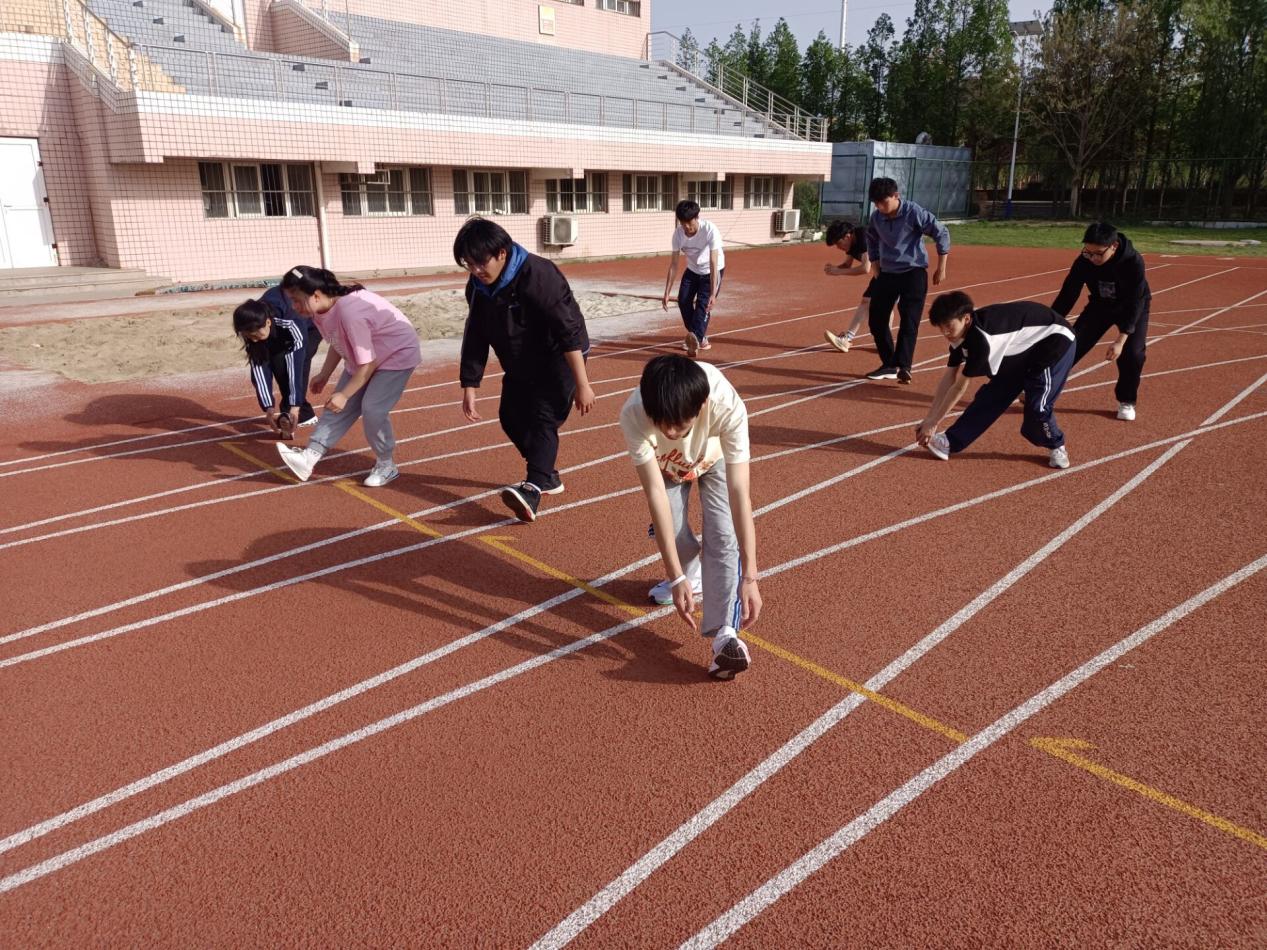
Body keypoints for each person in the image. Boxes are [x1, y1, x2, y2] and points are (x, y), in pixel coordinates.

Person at [619, 354, 762, 681]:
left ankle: (726, 635)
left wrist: (751, 576)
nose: (670, 431)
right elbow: (655, 493)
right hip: (667, 467)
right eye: (662, 423)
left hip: (715, 459)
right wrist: (676, 577)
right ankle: (691, 574)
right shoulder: (634, 412)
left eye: (679, 425)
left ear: (702, 406)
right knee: (670, 525)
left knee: (722, 533)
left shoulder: (726, 406)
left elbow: (739, 492)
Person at [456, 217, 596, 523]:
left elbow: (567, 330)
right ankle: (547, 474)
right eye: (468, 264)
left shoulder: (539, 275)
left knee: (543, 416)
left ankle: (533, 488)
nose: (475, 270)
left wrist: (582, 383)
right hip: (521, 358)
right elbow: (476, 334)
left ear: (501, 253)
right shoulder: (478, 287)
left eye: (480, 262)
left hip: (560, 354)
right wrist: (470, 385)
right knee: (511, 417)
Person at [273, 266, 421, 487]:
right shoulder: (321, 310)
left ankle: (386, 464)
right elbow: (338, 340)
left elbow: (368, 364)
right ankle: (309, 458)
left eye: (296, 300)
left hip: (395, 353)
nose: (293, 306)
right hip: (366, 356)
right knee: (335, 407)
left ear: (316, 295)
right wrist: (325, 373)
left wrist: (344, 394)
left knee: (372, 409)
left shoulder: (350, 314)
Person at [916, 291, 1076, 469]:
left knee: (1037, 406)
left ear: (966, 319)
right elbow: (949, 377)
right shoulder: (960, 336)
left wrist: (934, 422)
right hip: (1021, 348)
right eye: (940, 327)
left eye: (948, 326)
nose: (945, 332)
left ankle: (1056, 445)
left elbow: (959, 387)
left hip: (1054, 342)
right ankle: (950, 442)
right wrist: (930, 419)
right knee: (992, 395)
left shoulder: (982, 341)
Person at [1050, 221, 1151, 421]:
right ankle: (1044, 388)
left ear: (1113, 246)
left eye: (1098, 253)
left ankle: (1126, 400)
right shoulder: (1084, 260)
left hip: (1131, 307)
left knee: (1133, 354)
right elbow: (1068, 293)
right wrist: (1051, 323)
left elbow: (1136, 301)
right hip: (1100, 305)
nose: (1093, 258)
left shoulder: (1133, 262)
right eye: (1088, 252)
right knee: (1071, 345)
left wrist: (1121, 340)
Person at [864, 177, 951, 383]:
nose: (880, 207)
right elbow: (871, 239)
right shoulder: (876, 218)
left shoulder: (913, 212)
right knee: (876, 319)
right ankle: (889, 364)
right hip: (887, 273)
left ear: (896, 196)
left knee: (909, 318)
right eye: (876, 203)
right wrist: (875, 265)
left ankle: (904, 366)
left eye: (883, 202)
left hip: (913, 272)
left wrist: (941, 267)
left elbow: (941, 232)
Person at [231, 286, 322, 438]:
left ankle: (295, 413)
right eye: (249, 336)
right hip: (278, 329)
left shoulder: (290, 318)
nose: (254, 339)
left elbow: (295, 363)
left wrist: (294, 405)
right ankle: (303, 413)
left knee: (287, 364)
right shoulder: (254, 325)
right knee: (273, 359)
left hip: (310, 327)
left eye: (255, 335)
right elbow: (259, 366)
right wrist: (268, 407)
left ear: (267, 322)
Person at [820, 219, 896, 353]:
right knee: (879, 304)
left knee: (872, 303)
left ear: (847, 236)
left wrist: (838, 272)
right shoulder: (852, 244)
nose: (838, 247)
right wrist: (835, 269)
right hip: (883, 271)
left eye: (838, 243)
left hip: (896, 269)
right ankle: (886, 344)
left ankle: (847, 339)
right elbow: (847, 264)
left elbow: (865, 268)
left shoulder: (863, 237)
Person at [662, 199, 725, 358]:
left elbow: (713, 261)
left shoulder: (710, 229)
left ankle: (695, 338)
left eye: (689, 223)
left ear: (697, 218)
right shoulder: (678, 234)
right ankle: (699, 337)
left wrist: (713, 293)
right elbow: (674, 264)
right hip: (692, 269)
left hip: (712, 270)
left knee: (703, 305)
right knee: (683, 301)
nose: (686, 228)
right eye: (682, 224)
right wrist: (667, 292)